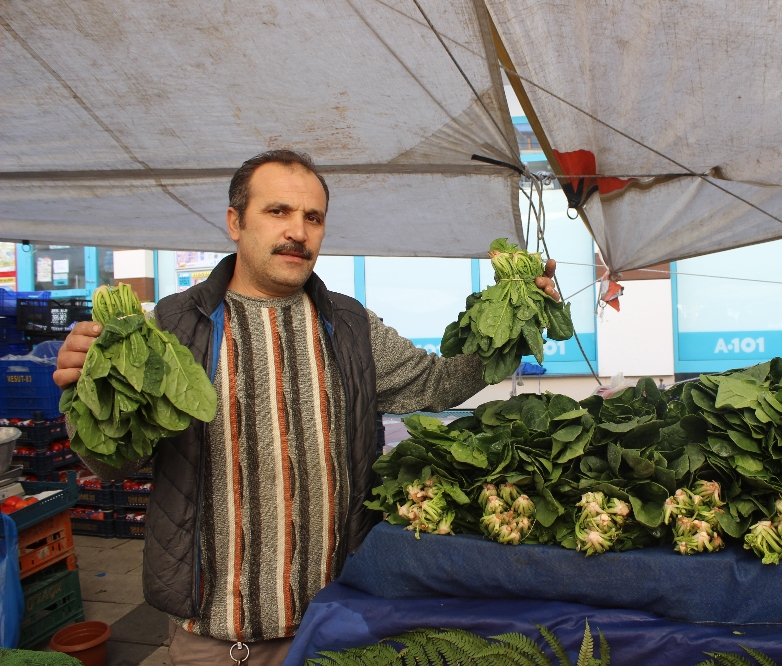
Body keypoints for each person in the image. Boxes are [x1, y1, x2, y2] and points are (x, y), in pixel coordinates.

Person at [54, 150, 554, 665]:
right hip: (212, 640)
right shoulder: (171, 328)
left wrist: (516, 315)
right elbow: (112, 463)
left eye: (312, 217)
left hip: (334, 629)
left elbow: (434, 383)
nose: (298, 231)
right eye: (278, 212)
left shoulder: (351, 326)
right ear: (235, 222)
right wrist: (84, 395)